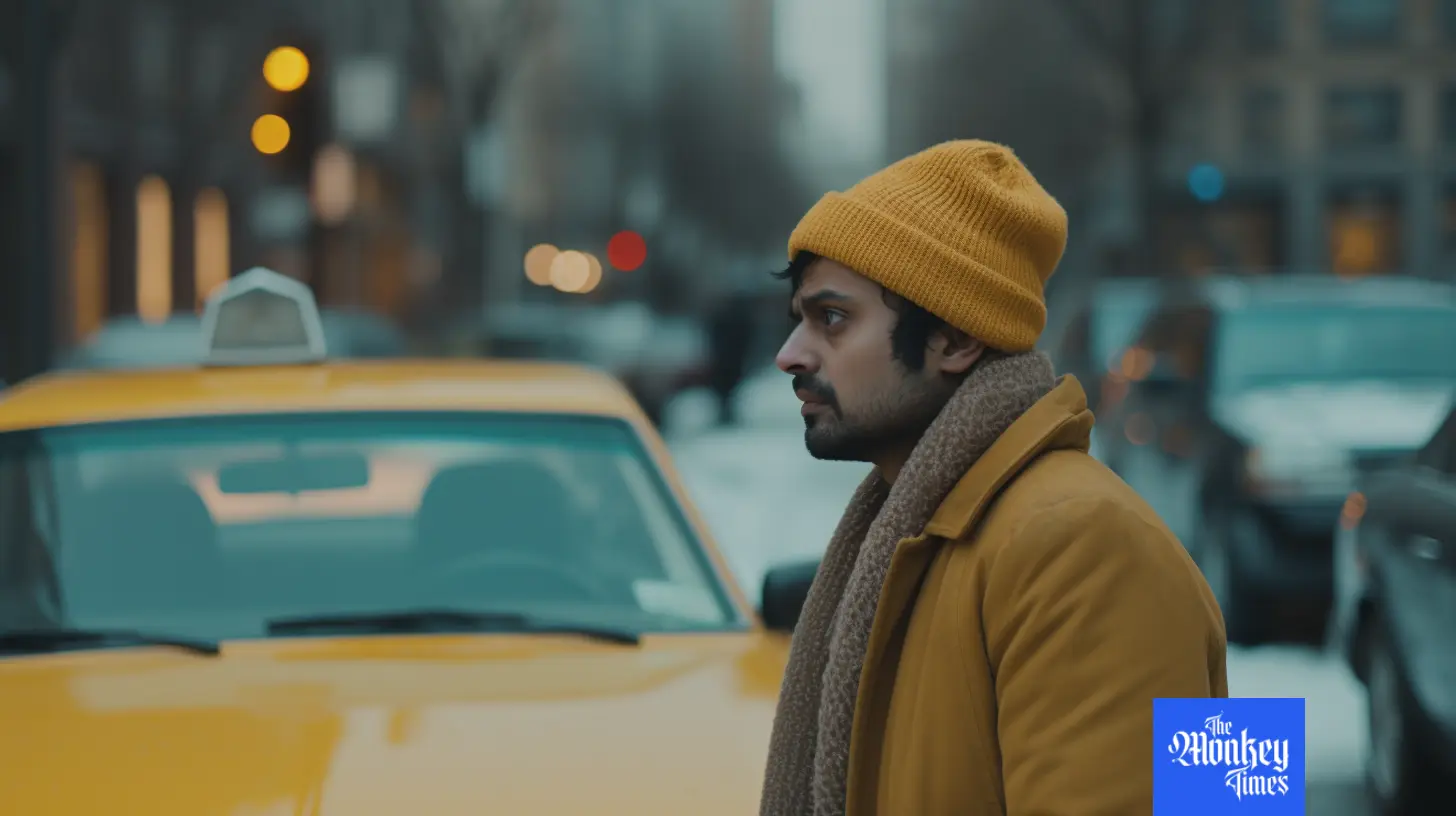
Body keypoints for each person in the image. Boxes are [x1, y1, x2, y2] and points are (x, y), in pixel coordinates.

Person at [757, 140, 1228, 816]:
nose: (789, 354)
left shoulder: (1089, 545)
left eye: (832, 319)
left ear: (955, 339)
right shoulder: (914, 538)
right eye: (799, 319)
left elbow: (1229, 793)